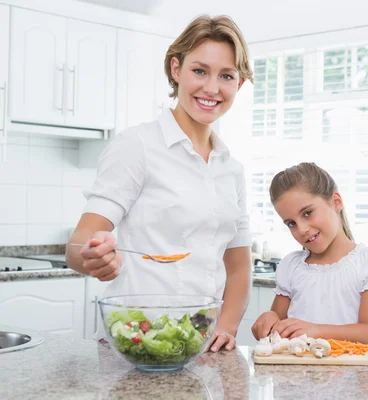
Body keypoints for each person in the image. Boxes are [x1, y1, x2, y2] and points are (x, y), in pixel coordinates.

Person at [65, 15, 254, 352]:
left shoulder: (232, 169)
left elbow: (238, 266)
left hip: (200, 346)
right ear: (175, 69)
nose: (212, 88)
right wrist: (93, 256)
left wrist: (224, 330)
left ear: (238, 85)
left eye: (226, 75)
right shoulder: (137, 146)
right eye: (200, 71)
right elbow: (78, 244)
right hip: (135, 343)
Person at [251, 163, 368, 344]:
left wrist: (314, 330)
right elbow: (278, 328)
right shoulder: (291, 265)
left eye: (308, 213)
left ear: (336, 202)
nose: (301, 229)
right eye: (291, 223)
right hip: (295, 371)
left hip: (350, 371)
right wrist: (269, 320)